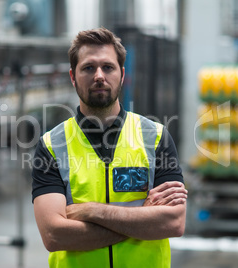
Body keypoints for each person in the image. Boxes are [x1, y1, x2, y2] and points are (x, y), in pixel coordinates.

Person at [32, 27, 187, 268]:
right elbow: (54, 235)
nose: (99, 76)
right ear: (73, 76)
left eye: (108, 67)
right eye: (88, 68)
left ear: (122, 74)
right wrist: (143, 219)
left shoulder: (156, 137)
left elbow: (173, 223)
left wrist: (92, 211)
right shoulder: (52, 146)